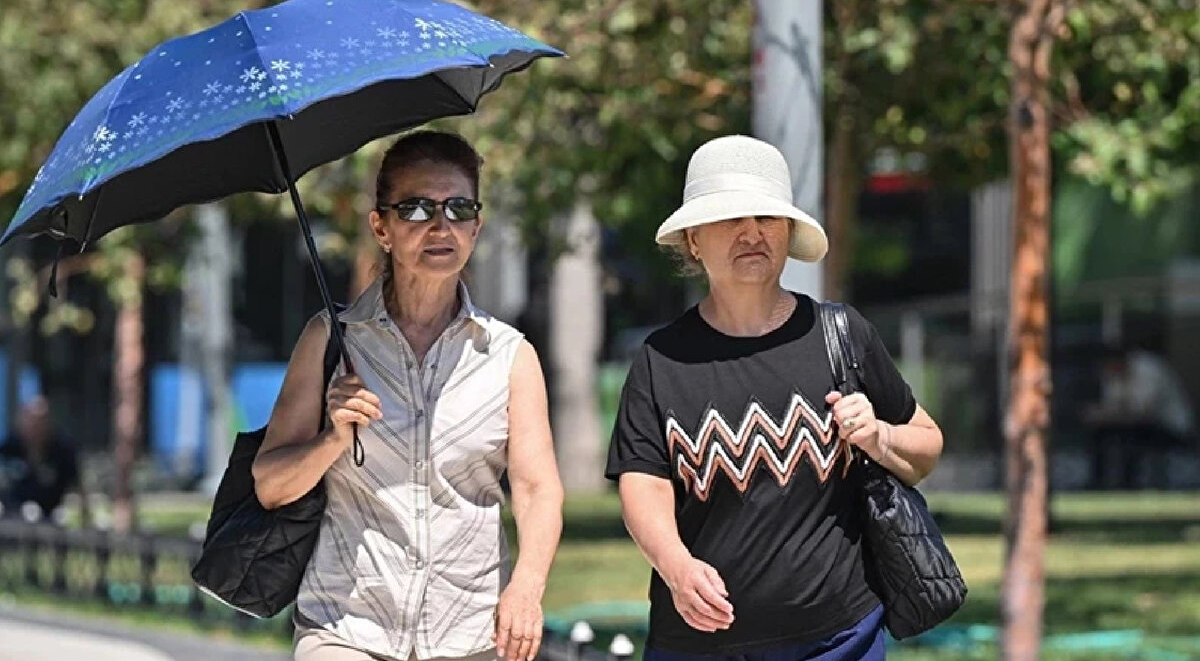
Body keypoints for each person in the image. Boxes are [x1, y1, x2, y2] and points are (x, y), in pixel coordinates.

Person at [605, 135, 945, 660]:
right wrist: (674, 565)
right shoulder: (660, 359)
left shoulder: (842, 334)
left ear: (788, 232)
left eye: (767, 218)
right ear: (693, 241)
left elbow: (926, 446)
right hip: (697, 644)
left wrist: (879, 436)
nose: (751, 233)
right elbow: (643, 483)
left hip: (839, 640)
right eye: (729, 219)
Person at [253, 131, 564, 661]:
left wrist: (527, 588)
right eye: (417, 209)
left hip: (470, 634)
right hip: (347, 628)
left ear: (477, 226)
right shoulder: (330, 341)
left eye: (459, 207)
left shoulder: (510, 356)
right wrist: (332, 439)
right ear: (382, 227)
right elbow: (270, 487)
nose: (441, 226)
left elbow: (537, 490)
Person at [1083, 344, 1196, 489]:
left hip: (1170, 428)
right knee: (1101, 433)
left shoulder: (1149, 369)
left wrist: (1104, 415)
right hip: (1136, 426)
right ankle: (1098, 483)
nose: (1107, 372)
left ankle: (1130, 484)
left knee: (1131, 435)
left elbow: (1144, 414)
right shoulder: (1111, 374)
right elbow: (1116, 409)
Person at [0, 395, 84, 523]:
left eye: (40, 422)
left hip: (53, 518)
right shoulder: (9, 448)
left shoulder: (62, 450)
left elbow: (75, 487)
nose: (35, 428)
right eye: (31, 421)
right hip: (12, 517)